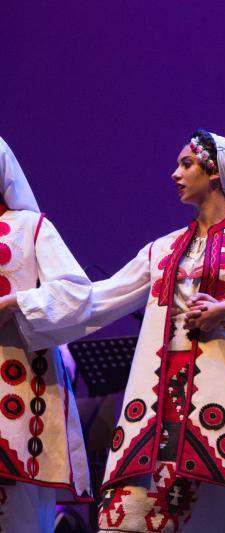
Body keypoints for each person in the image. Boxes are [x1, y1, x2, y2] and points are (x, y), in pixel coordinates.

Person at [64, 130, 225, 532]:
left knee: (214, 512)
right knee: (133, 515)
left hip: (221, 404)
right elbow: (98, 299)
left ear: (214, 173)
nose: (175, 173)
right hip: (160, 404)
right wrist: (27, 307)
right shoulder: (163, 250)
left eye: (186, 164)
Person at [0, 136, 92, 532]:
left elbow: (75, 292)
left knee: (18, 514)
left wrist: (14, 303)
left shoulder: (30, 228)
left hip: (17, 392)